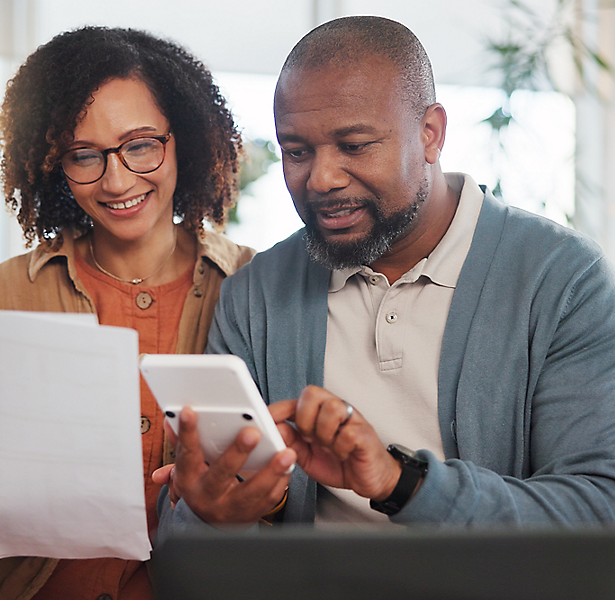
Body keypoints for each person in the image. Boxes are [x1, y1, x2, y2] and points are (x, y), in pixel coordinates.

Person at [156, 15, 615, 531]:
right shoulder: (256, 293)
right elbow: (184, 539)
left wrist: (402, 483)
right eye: (296, 152)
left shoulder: (560, 278)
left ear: (431, 134)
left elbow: (598, 509)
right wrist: (247, 506)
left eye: (354, 146)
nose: (321, 179)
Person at [0, 26, 253, 598]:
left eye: (140, 145)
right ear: (52, 164)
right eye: (83, 155)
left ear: (182, 137)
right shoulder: (3, 295)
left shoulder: (253, 289)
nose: (116, 181)